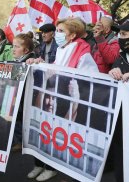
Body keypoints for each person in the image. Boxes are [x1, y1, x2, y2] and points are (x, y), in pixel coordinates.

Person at [27, 17, 98, 182]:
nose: (56, 34)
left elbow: (89, 76)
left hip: (66, 99)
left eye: (60, 31)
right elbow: (56, 66)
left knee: (57, 134)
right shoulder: (61, 48)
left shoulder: (83, 51)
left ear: (72, 35)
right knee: (44, 131)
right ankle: (41, 163)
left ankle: (52, 167)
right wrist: (41, 63)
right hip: (53, 94)